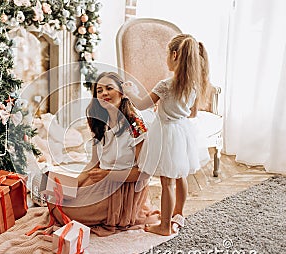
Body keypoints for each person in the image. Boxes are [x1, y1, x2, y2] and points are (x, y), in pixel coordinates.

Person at [47, 71, 160, 236]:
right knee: (55, 200)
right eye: (99, 91)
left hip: (124, 188)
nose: (104, 93)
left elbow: (144, 173)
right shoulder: (100, 122)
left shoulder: (135, 125)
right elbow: (93, 163)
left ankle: (109, 212)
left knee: (65, 211)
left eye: (109, 88)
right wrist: (72, 185)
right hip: (102, 178)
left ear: (122, 93)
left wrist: (108, 175)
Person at [123, 34, 211, 236]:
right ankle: (178, 214)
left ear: (174, 55)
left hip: (166, 134)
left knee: (167, 182)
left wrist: (128, 90)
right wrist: (172, 109)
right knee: (181, 176)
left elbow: (142, 104)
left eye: (166, 55)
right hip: (183, 131)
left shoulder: (165, 85)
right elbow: (192, 113)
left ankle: (164, 226)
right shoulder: (194, 85)